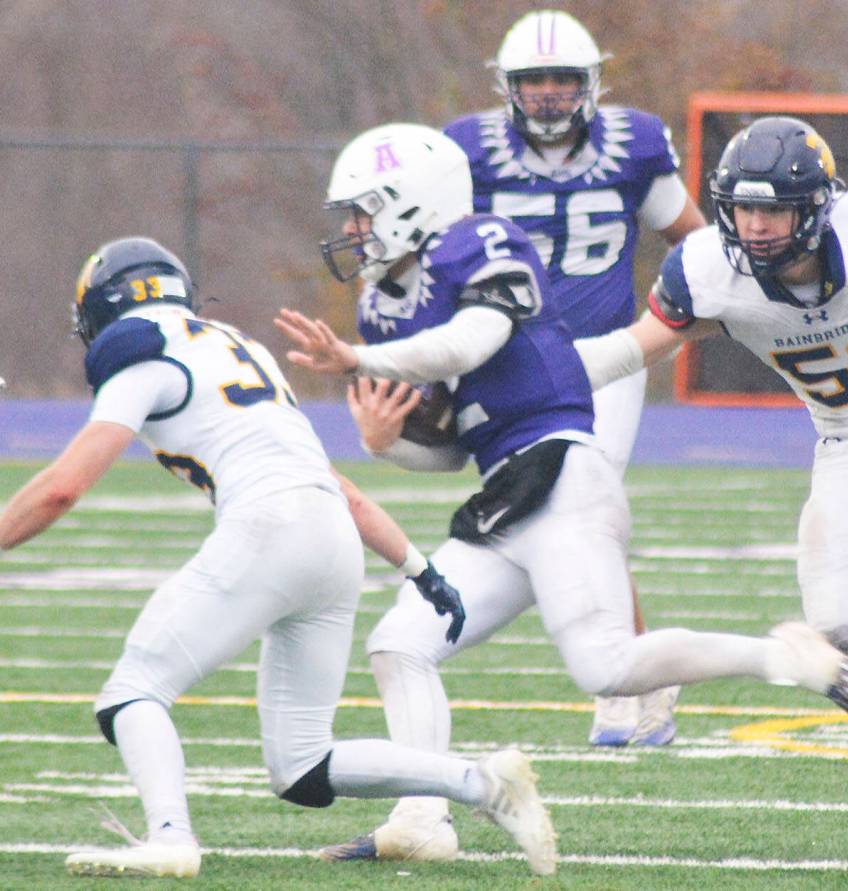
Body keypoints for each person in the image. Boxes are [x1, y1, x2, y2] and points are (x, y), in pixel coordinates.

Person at [275, 121, 848, 865]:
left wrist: (360, 358)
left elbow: (474, 340)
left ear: (410, 204)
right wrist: (383, 442)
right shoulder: (385, 308)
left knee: (607, 666)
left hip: (562, 475)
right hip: (506, 491)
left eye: (363, 210)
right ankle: (424, 818)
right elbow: (449, 448)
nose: (352, 230)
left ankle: (784, 656)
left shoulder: (480, 241)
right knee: (400, 644)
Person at [0, 236, 558, 878]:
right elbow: (336, 486)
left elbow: (65, 485)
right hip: (328, 535)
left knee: (132, 693)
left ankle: (171, 838)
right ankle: (484, 784)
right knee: (301, 765)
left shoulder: (137, 348)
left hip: (270, 524)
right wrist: (420, 569)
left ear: (102, 306)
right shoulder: (236, 347)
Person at [574, 115, 848, 837]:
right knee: (842, 630)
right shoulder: (706, 271)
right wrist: (521, 373)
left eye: (774, 208)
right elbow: (631, 350)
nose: (755, 226)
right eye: (744, 208)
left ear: (815, 205)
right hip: (846, 441)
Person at [442, 8, 708, 749]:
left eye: (564, 78)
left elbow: (692, 240)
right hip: (511, 362)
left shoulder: (633, 146)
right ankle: (647, 670)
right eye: (535, 80)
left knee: (581, 505)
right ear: (508, 87)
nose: (552, 93)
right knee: (573, 514)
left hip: (607, 353)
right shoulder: (468, 152)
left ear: (592, 83)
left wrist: (688, 311)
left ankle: (629, 678)